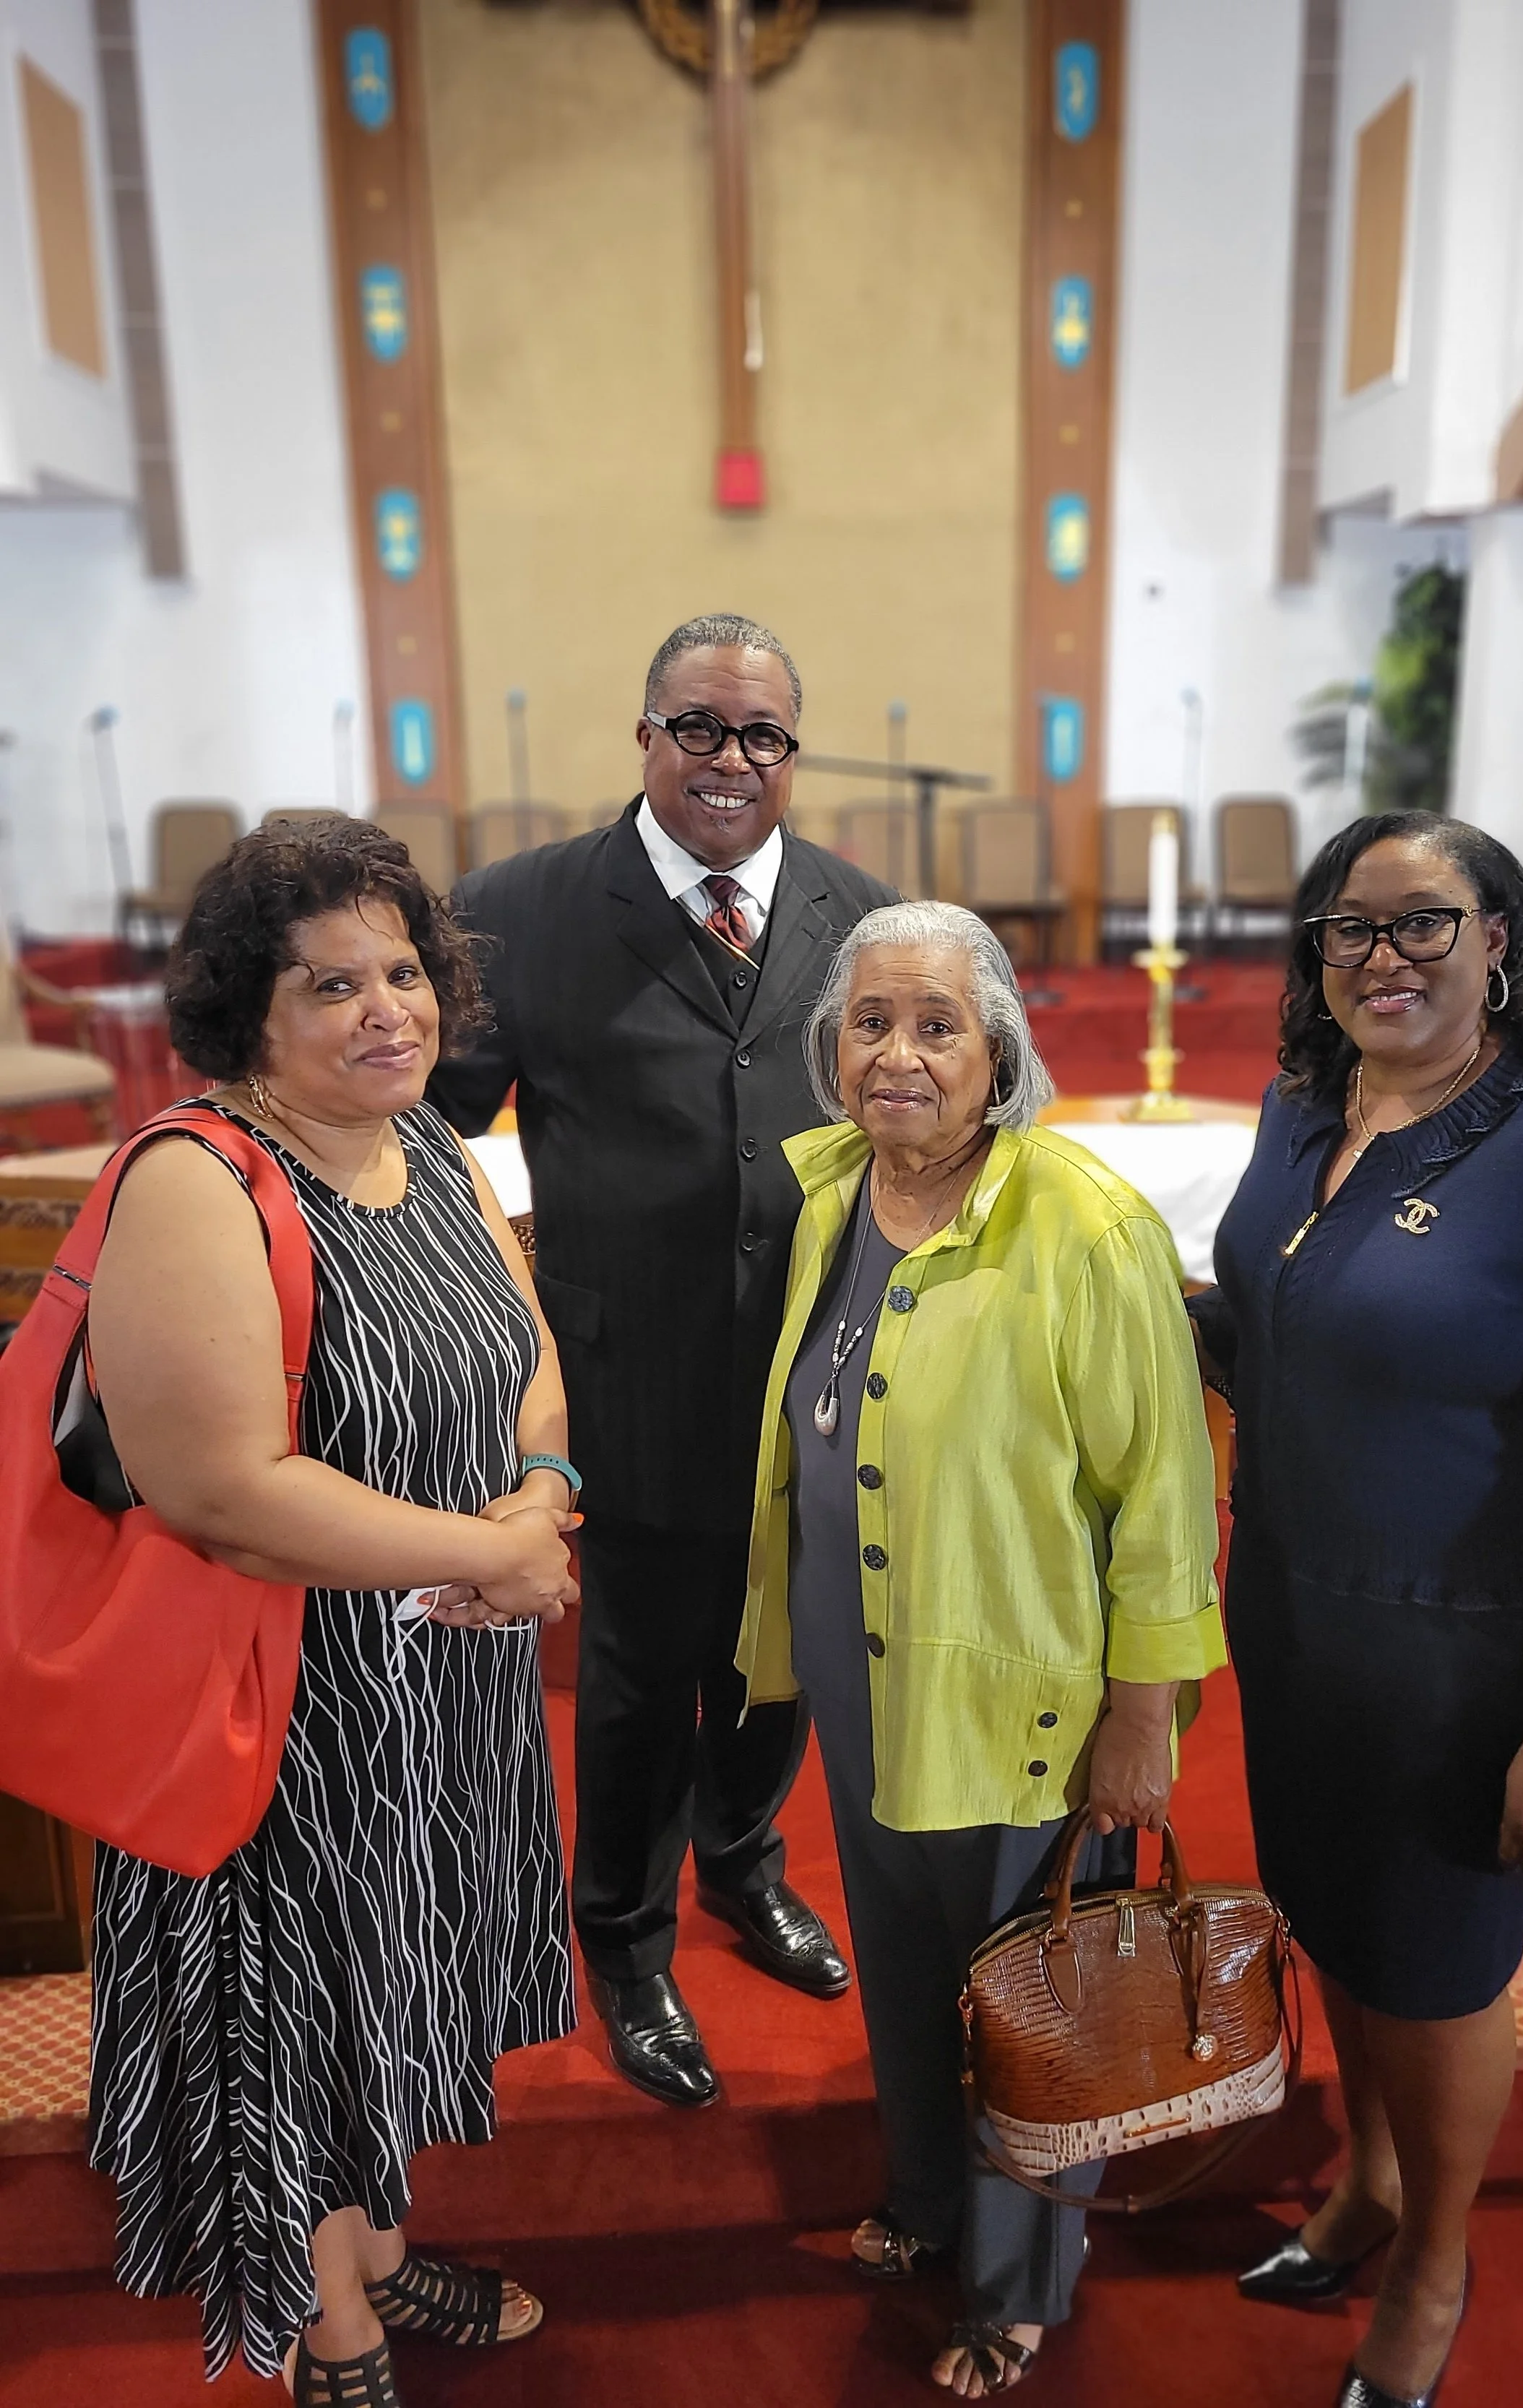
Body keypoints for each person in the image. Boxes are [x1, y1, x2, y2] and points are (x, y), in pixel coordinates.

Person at [1192, 811, 1523, 2408]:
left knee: (1432, 1975)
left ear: (1501, 936)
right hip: (1293, 1622)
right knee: (1339, 1933)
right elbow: (1271, 1326)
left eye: (1422, 923)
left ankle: (1433, 2265)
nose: (1380, 957)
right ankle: (1365, 2185)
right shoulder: (1303, 1111)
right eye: (1348, 928)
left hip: (1461, 1659)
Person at [83, 822, 582, 2400]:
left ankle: (369, 2242)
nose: (390, 1009)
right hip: (274, 1699)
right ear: (248, 1013)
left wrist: (544, 1491)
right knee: (291, 2004)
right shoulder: (196, 1176)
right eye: (333, 984)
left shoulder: (422, 1138)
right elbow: (219, 1487)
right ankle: (328, 2327)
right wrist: (485, 1552)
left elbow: (525, 1344)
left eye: (404, 971)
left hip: (436, 1684)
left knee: (393, 1975)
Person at [735, 900, 1224, 2396]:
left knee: (1026, 1993)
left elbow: (1161, 1495)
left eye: (936, 1025)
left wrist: (1140, 1712)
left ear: (998, 1049)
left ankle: (1018, 2281)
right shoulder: (831, 1197)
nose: (897, 1054)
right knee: (896, 1958)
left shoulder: (1080, 1223)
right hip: (864, 1658)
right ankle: (928, 2195)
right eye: (869, 1023)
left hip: (1019, 1683)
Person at [428, 614, 895, 2107]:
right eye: (698, 727)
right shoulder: (517, 912)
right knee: (636, 1679)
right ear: (644, 735)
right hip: (628, 1369)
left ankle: (740, 1866)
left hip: (823, 1374)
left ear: (790, 756)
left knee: (785, 1661)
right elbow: (430, 1136)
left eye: (760, 735)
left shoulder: (862, 916)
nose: (729, 760)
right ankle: (623, 1938)